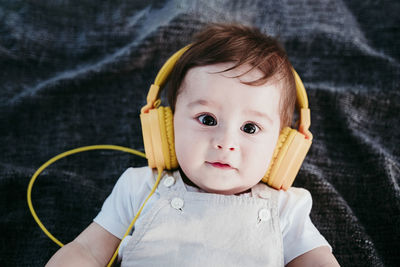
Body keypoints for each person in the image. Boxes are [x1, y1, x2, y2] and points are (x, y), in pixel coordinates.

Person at [46, 23, 340, 266]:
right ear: (168, 126)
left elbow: (317, 260)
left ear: (281, 147)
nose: (225, 143)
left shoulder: (286, 209)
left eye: (250, 128)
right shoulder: (140, 188)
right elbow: (87, 251)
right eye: (207, 119)